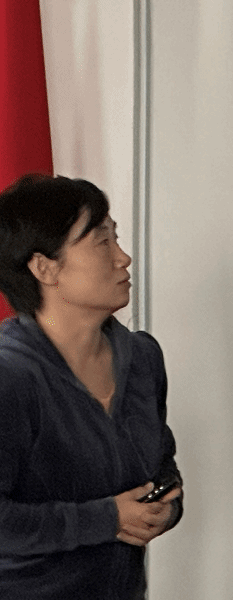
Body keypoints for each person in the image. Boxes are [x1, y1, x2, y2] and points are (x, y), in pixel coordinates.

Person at [0, 174, 182, 599]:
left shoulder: (143, 358)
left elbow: (163, 465)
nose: (123, 257)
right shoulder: (11, 377)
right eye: (102, 242)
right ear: (44, 267)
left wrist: (165, 507)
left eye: (116, 238)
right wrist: (106, 519)